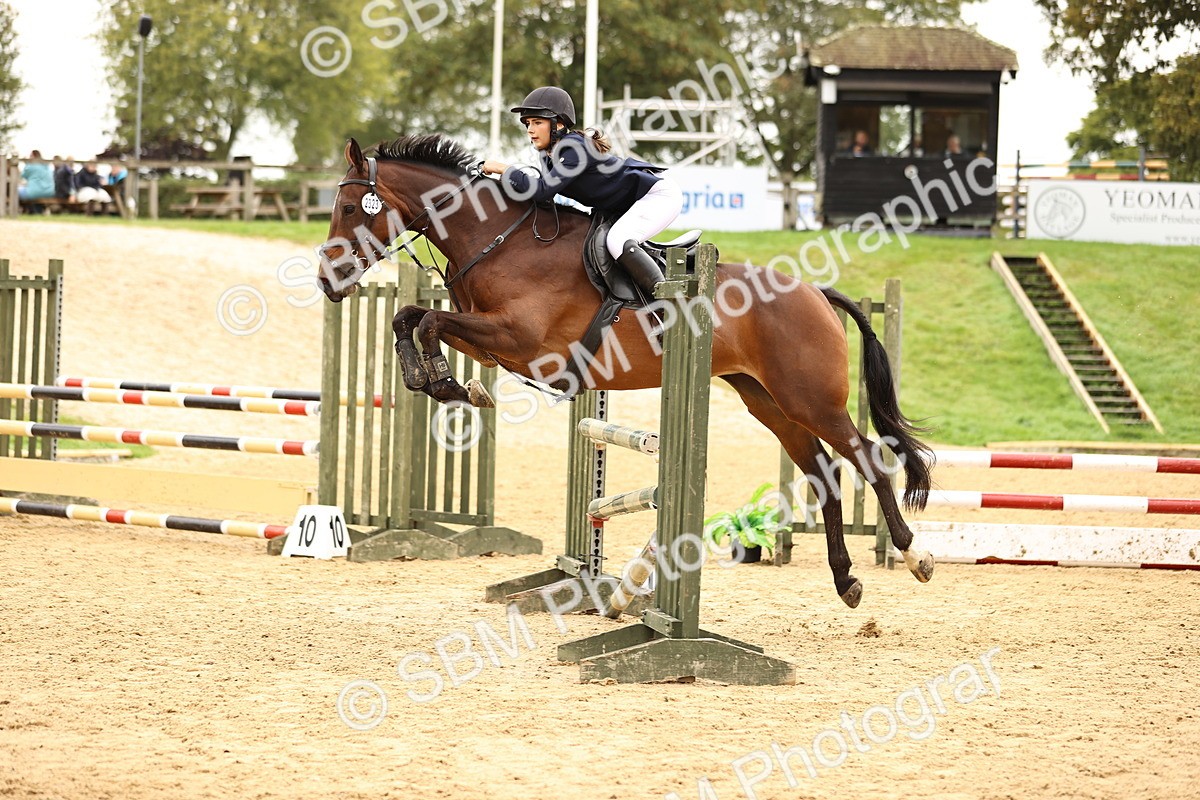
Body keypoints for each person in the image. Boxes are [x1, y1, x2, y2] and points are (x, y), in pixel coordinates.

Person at [480, 86, 682, 295]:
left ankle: (668, 298)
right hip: (629, 203)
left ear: (558, 124)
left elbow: (543, 191)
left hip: (657, 196)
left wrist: (503, 169)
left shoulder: (573, 148)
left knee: (617, 240)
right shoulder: (548, 154)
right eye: (528, 123)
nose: (530, 130)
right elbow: (540, 195)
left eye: (537, 122)